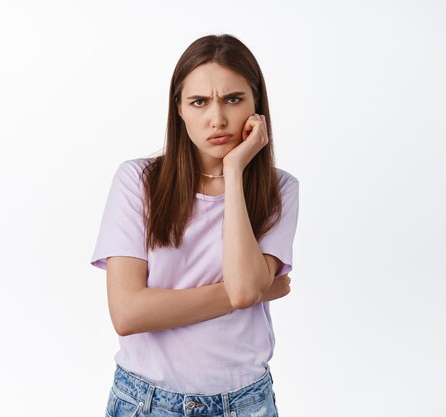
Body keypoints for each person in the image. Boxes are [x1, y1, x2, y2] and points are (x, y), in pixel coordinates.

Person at [90, 33, 299, 417]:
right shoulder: (138, 181)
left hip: (245, 402)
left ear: (257, 105)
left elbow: (242, 293)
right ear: (180, 109)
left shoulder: (279, 189)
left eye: (233, 100)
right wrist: (255, 289)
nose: (216, 118)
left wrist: (234, 171)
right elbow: (128, 314)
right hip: (147, 402)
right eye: (199, 102)